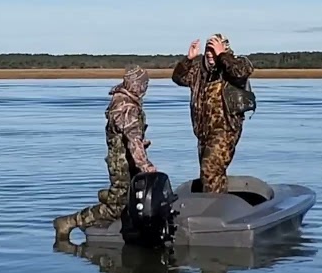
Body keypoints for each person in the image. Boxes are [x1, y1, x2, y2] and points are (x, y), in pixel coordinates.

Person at [53, 64, 157, 241]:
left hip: (128, 160)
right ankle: (69, 221)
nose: (144, 89)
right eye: (143, 85)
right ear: (136, 84)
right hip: (122, 163)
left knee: (130, 196)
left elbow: (130, 137)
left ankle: (109, 197)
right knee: (116, 207)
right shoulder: (126, 106)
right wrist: (146, 166)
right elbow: (132, 139)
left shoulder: (127, 102)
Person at [171, 34, 254, 194]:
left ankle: (212, 209)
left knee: (210, 170)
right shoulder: (200, 73)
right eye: (208, 50)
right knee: (210, 175)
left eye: (213, 50)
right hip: (203, 133)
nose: (210, 53)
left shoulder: (235, 66)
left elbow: (242, 72)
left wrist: (222, 55)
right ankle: (218, 204)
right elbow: (178, 78)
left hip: (225, 130)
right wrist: (188, 59)